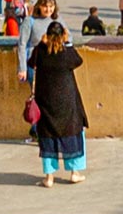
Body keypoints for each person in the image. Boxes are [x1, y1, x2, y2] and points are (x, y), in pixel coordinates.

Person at [29, 20, 89, 187]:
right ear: (63, 35)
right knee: (73, 132)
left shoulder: (40, 51)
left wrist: (42, 43)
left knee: (47, 135)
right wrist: (68, 42)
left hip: (45, 100)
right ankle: (74, 173)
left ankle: (49, 177)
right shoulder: (66, 52)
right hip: (67, 100)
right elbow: (78, 61)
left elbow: (30, 62)